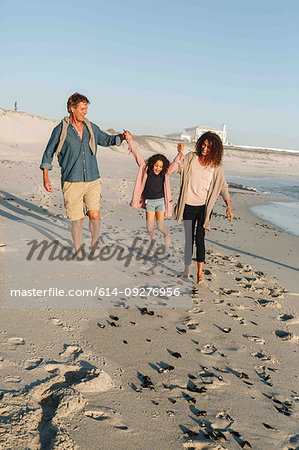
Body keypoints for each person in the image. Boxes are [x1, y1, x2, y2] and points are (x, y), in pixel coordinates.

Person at [40, 92, 131, 259]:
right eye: (82, 108)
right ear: (72, 109)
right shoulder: (60, 130)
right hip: (71, 180)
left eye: (86, 108)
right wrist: (45, 177)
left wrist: (122, 137)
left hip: (92, 179)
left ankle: (94, 244)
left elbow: (107, 140)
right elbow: (48, 152)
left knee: (94, 214)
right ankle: (77, 249)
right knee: (77, 219)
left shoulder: (91, 128)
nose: (85, 112)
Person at [173, 131, 233, 283]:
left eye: (209, 147)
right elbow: (178, 168)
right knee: (188, 239)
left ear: (215, 150)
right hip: (187, 205)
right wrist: (180, 153)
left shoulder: (216, 166)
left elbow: (223, 187)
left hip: (204, 208)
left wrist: (228, 206)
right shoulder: (191, 157)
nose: (205, 149)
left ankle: (199, 275)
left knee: (200, 238)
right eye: (204, 145)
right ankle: (186, 271)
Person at [126, 138, 184, 247]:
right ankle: (153, 240)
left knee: (160, 226)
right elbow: (136, 154)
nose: (158, 168)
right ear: (152, 164)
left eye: (161, 166)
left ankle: (166, 235)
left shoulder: (165, 173)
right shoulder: (145, 169)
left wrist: (180, 152)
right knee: (149, 228)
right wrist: (130, 141)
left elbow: (175, 163)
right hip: (150, 203)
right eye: (156, 165)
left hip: (161, 202)